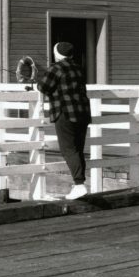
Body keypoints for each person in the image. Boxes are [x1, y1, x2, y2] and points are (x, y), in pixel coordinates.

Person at [37, 41, 92, 200]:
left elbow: (44, 87)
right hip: (82, 112)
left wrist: (36, 85)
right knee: (77, 149)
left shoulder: (56, 68)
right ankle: (79, 185)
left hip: (65, 113)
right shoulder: (78, 67)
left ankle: (79, 185)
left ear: (57, 54)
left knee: (68, 149)